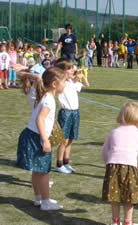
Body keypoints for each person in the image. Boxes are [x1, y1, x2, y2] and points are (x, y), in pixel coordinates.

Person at [16, 67, 66, 210]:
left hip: (31, 135)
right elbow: (39, 119)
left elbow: (39, 78)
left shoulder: (43, 94)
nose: (65, 85)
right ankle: (45, 202)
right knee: (43, 172)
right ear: (54, 84)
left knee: (36, 170)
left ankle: (38, 199)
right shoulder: (48, 100)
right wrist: (45, 140)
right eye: (64, 82)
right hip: (37, 137)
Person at [101, 102, 138, 225]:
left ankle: (115, 222)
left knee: (115, 196)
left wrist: (107, 164)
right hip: (130, 168)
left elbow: (104, 151)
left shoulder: (113, 132)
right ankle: (127, 222)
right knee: (130, 197)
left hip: (112, 167)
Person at [54, 59, 89, 173]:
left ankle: (66, 162)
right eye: (69, 69)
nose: (72, 70)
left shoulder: (72, 82)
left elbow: (87, 85)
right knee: (64, 140)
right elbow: (60, 84)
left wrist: (82, 76)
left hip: (75, 112)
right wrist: (72, 77)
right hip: (66, 113)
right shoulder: (61, 82)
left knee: (71, 139)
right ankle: (59, 164)